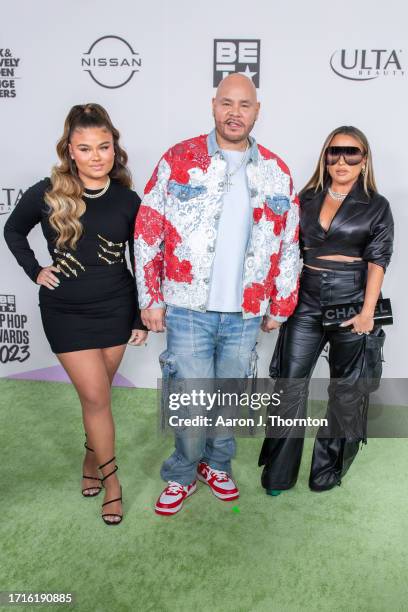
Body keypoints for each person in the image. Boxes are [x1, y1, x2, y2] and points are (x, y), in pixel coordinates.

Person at [134, 73, 300, 515]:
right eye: (227, 103)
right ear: (213, 105)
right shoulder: (179, 159)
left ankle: (218, 464)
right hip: (188, 307)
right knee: (189, 396)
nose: (234, 112)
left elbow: (288, 244)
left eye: (244, 105)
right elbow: (148, 230)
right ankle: (183, 473)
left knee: (229, 395)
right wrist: (150, 298)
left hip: (246, 312)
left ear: (256, 111)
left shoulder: (276, 171)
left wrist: (280, 305)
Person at [4, 103, 148, 525]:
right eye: (85, 148)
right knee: (97, 397)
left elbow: (142, 260)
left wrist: (139, 315)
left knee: (95, 400)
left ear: (114, 148)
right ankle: (114, 482)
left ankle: (91, 458)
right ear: (70, 150)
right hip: (66, 312)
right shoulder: (47, 192)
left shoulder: (128, 199)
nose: (96, 156)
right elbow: (12, 230)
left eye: (104, 146)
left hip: (116, 309)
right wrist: (35, 270)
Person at [258, 125, 394, 494]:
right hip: (306, 299)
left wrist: (367, 312)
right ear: (325, 157)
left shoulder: (377, 205)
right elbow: (286, 253)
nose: (342, 160)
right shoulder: (305, 197)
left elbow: (378, 260)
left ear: (364, 160)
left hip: (353, 298)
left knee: (346, 392)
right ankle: (279, 474)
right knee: (289, 385)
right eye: (334, 152)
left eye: (352, 152)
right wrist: (277, 301)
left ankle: (326, 471)